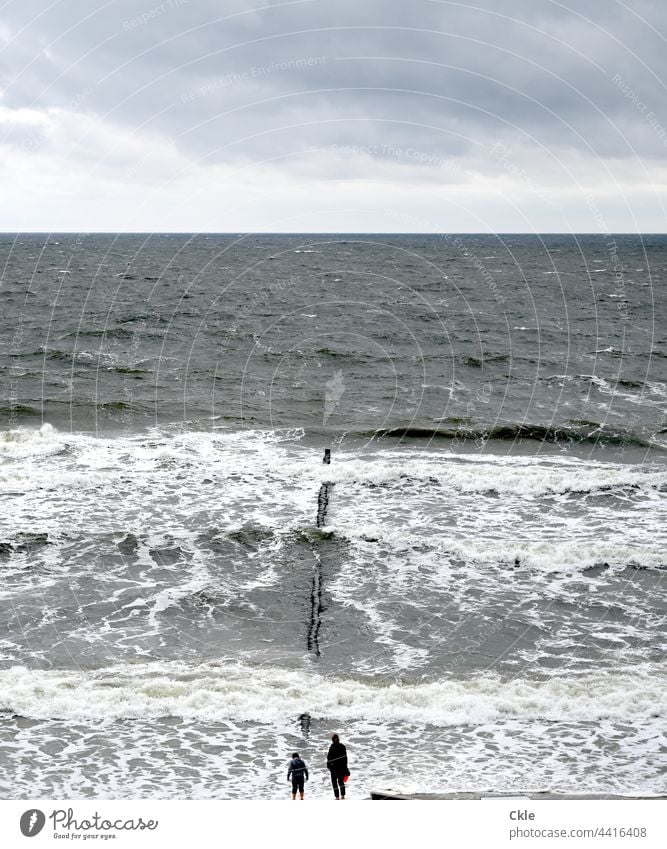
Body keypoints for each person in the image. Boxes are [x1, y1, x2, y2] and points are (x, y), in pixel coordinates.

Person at [326, 733, 349, 799]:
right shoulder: (340, 746)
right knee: (338, 782)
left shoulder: (334, 747)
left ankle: (340, 796)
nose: (335, 740)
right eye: (334, 739)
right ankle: (339, 796)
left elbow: (329, 758)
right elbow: (329, 758)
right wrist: (329, 766)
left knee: (338, 782)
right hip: (336, 768)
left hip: (337, 768)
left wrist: (329, 765)